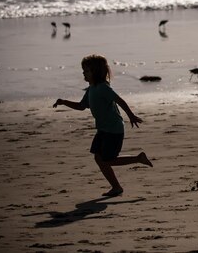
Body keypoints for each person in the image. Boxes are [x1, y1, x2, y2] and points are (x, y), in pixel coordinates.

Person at [53, 54, 153, 196]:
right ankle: (117, 186)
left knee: (107, 160)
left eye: (86, 71)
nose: (84, 74)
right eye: (83, 71)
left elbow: (119, 100)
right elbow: (82, 106)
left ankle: (136, 160)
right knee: (99, 159)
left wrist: (130, 116)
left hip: (113, 130)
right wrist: (64, 102)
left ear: (96, 72)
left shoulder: (102, 88)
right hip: (103, 129)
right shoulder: (91, 89)